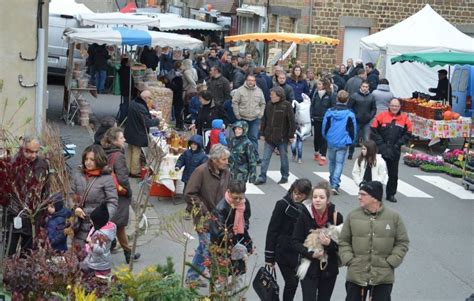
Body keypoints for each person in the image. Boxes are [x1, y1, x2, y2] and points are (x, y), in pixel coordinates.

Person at [339, 181, 409, 301]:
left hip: (382, 276)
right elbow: (344, 241)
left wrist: (391, 262)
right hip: (357, 274)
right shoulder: (352, 216)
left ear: (375, 198)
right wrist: (349, 259)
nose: (359, 197)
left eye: (363, 194)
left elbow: (402, 242)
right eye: (359, 193)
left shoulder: (394, 217)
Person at [184, 144, 231, 286]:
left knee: (204, 246)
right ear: (215, 159)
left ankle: (194, 275)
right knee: (208, 248)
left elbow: (228, 191)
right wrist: (205, 211)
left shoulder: (226, 172)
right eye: (224, 159)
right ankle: (210, 279)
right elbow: (189, 194)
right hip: (204, 218)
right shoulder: (200, 172)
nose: (226, 161)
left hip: (220, 218)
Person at [292, 181, 344, 301]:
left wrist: (329, 244)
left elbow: (344, 244)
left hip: (329, 269)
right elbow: (295, 242)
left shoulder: (336, 217)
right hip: (309, 267)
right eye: (315, 197)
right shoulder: (304, 216)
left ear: (328, 200)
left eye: (321, 197)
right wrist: (311, 254)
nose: (317, 200)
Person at [265, 179, 312, 301]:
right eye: (295, 192)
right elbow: (272, 230)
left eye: (300, 194)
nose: (296, 196)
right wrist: (269, 257)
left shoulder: (308, 208)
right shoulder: (282, 204)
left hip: (299, 252)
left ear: (306, 195)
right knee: (291, 282)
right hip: (283, 251)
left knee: (293, 283)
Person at [101, 127, 140, 264]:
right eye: (121, 138)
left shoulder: (104, 152)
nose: (124, 140)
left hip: (105, 191)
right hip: (117, 193)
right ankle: (121, 251)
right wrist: (129, 192)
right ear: (114, 140)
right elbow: (123, 178)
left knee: (117, 223)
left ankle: (126, 251)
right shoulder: (118, 156)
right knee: (117, 223)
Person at [6, 136, 50, 256]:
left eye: (36, 152)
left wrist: (44, 210)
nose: (33, 155)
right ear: (23, 149)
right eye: (30, 151)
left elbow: (46, 189)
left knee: (29, 252)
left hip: (33, 215)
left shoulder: (42, 165)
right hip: (14, 212)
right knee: (9, 250)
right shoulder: (12, 164)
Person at [210, 180, 253, 298]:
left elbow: (246, 219)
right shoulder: (221, 208)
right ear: (229, 192)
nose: (238, 201)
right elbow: (216, 233)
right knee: (223, 276)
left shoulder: (244, 203)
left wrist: (243, 228)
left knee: (239, 272)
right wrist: (230, 237)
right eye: (236, 198)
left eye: (241, 197)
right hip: (223, 246)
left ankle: (238, 296)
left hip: (239, 243)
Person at [71, 145, 118, 247]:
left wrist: (102, 219)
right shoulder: (78, 175)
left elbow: (112, 201)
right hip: (79, 224)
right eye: (86, 159)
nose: (88, 162)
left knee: (95, 258)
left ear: (99, 160)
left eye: (92, 159)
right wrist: (75, 208)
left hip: (96, 227)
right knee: (77, 256)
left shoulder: (106, 178)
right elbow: (71, 195)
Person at [370, 98, 412, 203]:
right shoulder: (381, 116)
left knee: (393, 175)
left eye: (396, 106)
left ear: (399, 107)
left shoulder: (405, 118)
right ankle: (375, 194)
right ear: (389, 105)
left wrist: (398, 145)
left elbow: (408, 133)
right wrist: (381, 145)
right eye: (392, 106)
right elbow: (373, 131)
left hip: (395, 150)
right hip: (381, 149)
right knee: (377, 173)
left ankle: (391, 194)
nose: (394, 108)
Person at [254, 86, 296, 185]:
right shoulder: (269, 104)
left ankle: (285, 176)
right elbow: (264, 120)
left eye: (272, 94)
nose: (270, 96)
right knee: (265, 158)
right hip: (269, 136)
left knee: (283, 158)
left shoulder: (287, 105)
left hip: (282, 137)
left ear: (278, 95)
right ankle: (262, 177)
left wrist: (291, 135)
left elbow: (292, 121)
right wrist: (262, 133)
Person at [322, 90, 357, 195]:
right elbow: (353, 130)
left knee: (332, 162)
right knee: (339, 163)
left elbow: (324, 127)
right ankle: (335, 184)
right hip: (343, 140)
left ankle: (332, 180)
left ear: (337, 99)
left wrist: (326, 137)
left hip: (331, 140)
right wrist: (352, 141)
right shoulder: (350, 114)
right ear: (347, 100)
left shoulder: (329, 112)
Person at [123, 90, 160, 177]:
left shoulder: (134, 102)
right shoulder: (141, 107)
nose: (150, 100)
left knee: (129, 150)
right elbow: (146, 123)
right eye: (149, 98)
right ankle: (134, 172)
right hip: (137, 133)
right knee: (136, 151)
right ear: (145, 98)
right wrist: (157, 120)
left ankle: (127, 169)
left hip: (130, 131)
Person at [231, 74, 266, 159]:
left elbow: (263, 103)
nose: (251, 82)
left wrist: (261, 114)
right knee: (240, 137)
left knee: (253, 137)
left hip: (255, 119)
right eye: (249, 80)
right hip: (242, 118)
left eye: (252, 80)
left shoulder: (259, 91)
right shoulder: (240, 90)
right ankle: (240, 156)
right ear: (246, 81)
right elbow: (235, 102)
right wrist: (237, 115)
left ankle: (254, 157)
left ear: (255, 82)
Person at [81, 203, 117, 277]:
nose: (91, 222)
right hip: (104, 261)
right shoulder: (107, 229)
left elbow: (100, 250)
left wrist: (90, 242)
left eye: (93, 221)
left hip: (99, 264)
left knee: (99, 280)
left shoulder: (100, 235)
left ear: (98, 222)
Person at [348, 80, 377, 160]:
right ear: (360, 87)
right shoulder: (354, 96)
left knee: (367, 140)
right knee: (354, 139)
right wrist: (355, 116)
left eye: (366, 87)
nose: (365, 88)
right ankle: (350, 153)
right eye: (363, 86)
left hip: (366, 121)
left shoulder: (371, 97)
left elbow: (374, 108)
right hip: (356, 121)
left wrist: (370, 116)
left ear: (368, 88)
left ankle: (365, 155)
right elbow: (349, 107)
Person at [311, 79, 333, 166]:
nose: (318, 85)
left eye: (320, 84)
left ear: (324, 85)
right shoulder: (316, 94)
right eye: (317, 84)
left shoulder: (330, 95)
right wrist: (311, 115)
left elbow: (332, 107)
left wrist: (330, 117)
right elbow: (312, 105)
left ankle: (323, 156)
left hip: (326, 119)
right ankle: (317, 152)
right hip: (316, 118)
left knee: (324, 138)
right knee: (317, 137)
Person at [291, 94, 312, 164]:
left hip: (303, 126)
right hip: (296, 125)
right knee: (293, 145)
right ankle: (294, 154)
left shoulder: (308, 106)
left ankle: (299, 157)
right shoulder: (300, 105)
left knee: (299, 145)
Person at [117, 57, 138, 124]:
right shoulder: (126, 71)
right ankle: (123, 119)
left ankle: (122, 119)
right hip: (127, 91)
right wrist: (133, 89)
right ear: (126, 63)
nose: (130, 63)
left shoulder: (124, 70)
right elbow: (127, 82)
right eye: (129, 62)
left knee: (126, 104)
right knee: (126, 105)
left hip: (125, 90)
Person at [165, 61, 185, 130]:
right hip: (178, 98)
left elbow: (176, 88)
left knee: (178, 113)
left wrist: (168, 84)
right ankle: (179, 125)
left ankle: (180, 126)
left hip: (178, 98)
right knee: (178, 113)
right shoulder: (178, 77)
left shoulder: (177, 78)